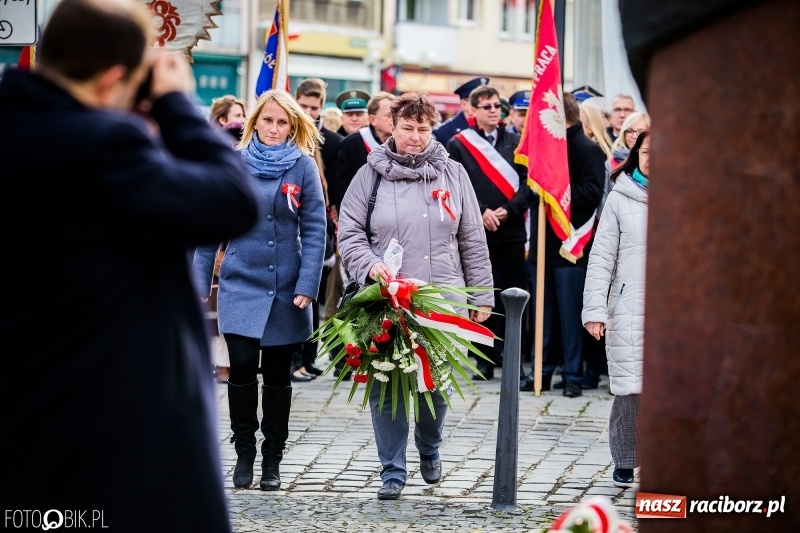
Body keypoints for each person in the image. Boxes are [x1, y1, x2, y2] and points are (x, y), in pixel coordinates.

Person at [0, 0, 260, 529]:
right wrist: (179, 106)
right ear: (114, 77)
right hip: (107, 431)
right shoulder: (97, 145)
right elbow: (232, 202)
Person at [337, 92, 494, 500]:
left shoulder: (454, 173)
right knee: (387, 385)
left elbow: (472, 237)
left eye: (423, 129)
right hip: (385, 299)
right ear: (392, 126)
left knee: (435, 387)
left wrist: (482, 296)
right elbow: (350, 232)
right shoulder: (369, 176)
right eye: (407, 128)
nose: (415, 137)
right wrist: (369, 263)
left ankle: (430, 446)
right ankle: (392, 469)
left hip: (442, 299)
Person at [193, 89, 327, 491]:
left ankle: (273, 457)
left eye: (282, 122)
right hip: (240, 284)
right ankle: (245, 452)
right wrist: (199, 281)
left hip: (287, 289)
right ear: (254, 123)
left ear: (293, 126)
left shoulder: (302, 167)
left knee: (277, 376)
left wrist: (307, 284)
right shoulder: (233, 163)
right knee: (241, 370)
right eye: (267, 120)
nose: (273, 128)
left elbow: (316, 229)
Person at [520, 92, 605, 398]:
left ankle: (571, 373)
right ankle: (541, 370)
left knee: (570, 317)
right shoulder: (545, 150)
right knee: (543, 316)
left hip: (571, 244)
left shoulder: (588, 149)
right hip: (543, 244)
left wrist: (557, 192)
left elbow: (592, 193)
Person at [446, 84, 529, 380]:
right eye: (487, 107)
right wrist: (481, 211)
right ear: (473, 111)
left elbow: (528, 183)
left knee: (512, 295)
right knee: (481, 296)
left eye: (497, 106)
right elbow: (456, 183)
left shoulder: (517, 141)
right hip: (477, 230)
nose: (495, 111)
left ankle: (512, 358)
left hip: (511, 230)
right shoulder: (458, 144)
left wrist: (509, 209)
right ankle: (484, 356)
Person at [582, 131, 650, 488]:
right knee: (630, 387)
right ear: (636, 154)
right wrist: (595, 310)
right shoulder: (620, 198)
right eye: (646, 151)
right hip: (629, 305)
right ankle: (625, 459)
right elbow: (601, 258)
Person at [293, 77, 343, 381]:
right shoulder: (286, 132)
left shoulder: (331, 141)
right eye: (303, 106)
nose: (309, 112)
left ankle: (308, 357)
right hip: (291, 223)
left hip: (318, 227)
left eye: (314, 107)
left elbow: (334, 187)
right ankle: (294, 359)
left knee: (313, 293)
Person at [433, 76, 490, 145]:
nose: (485, 105)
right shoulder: (442, 133)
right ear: (464, 104)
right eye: (478, 101)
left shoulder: (491, 128)